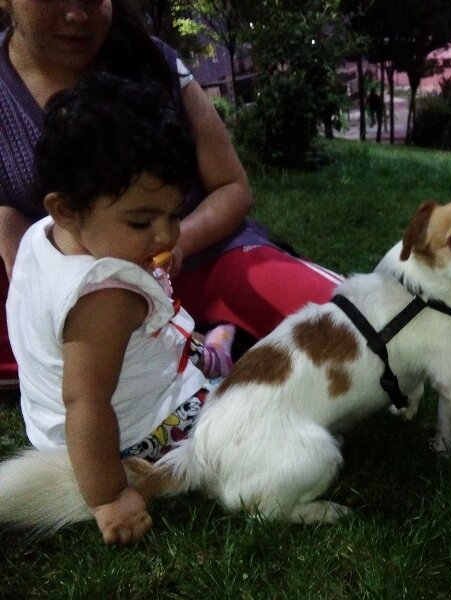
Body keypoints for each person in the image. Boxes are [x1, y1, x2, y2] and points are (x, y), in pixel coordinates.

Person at [0, 0, 341, 382]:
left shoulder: (152, 59)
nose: (77, 14)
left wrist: (172, 247)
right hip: (83, 287)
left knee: (347, 326)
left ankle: (212, 332)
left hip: (200, 259)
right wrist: (50, 301)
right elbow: (7, 219)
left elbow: (232, 187)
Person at [7, 71, 232, 545]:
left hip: (65, 423)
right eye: (141, 220)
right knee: (247, 403)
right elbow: (85, 402)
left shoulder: (45, 236)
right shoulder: (105, 297)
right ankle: (208, 370)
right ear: (67, 209)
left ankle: (204, 354)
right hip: (128, 434)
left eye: (173, 214)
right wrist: (108, 495)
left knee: (210, 347)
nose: (167, 236)